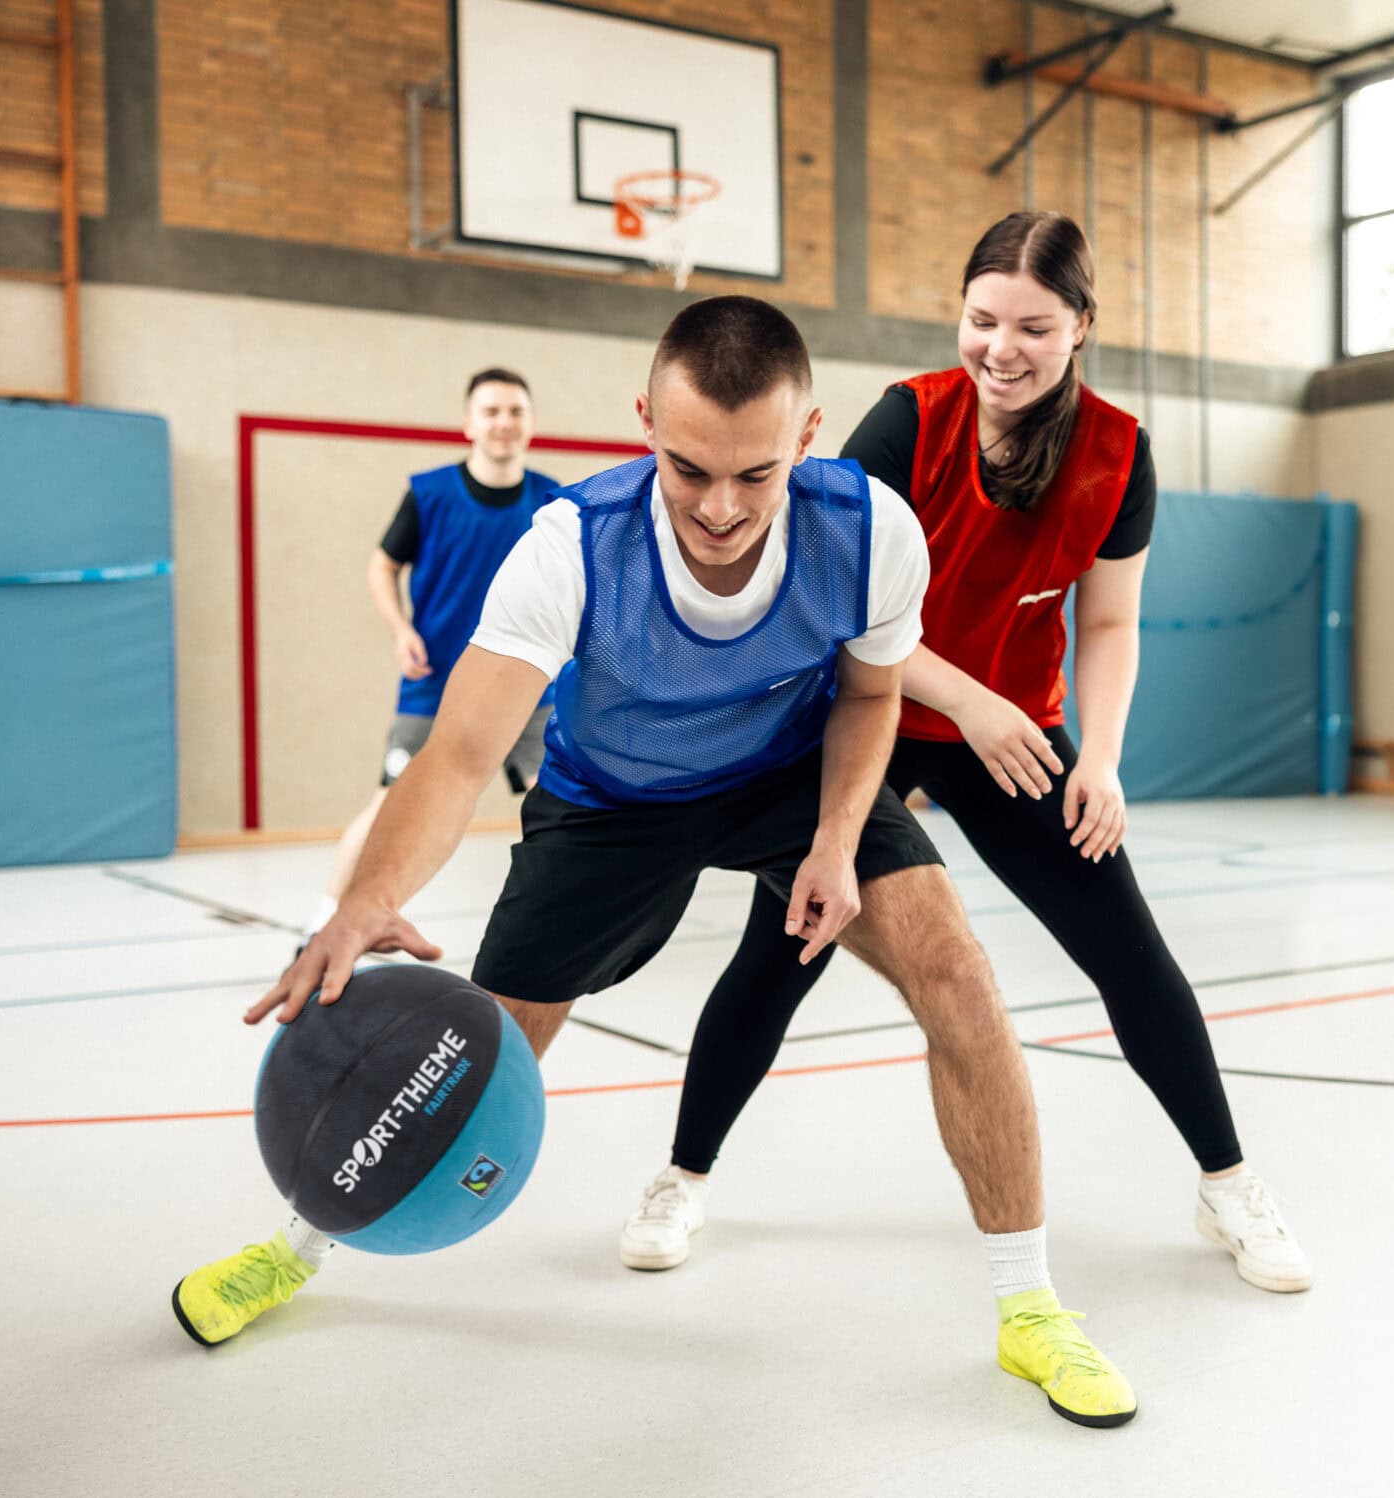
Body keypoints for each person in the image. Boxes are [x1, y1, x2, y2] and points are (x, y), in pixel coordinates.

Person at [171, 296, 1138, 1428]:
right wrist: (362, 900)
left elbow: (873, 692)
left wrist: (833, 841)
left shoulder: (870, 529)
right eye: (688, 470)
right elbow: (458, 755)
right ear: (642, 422)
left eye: (756, 475)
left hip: (788, 774)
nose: (721, 508)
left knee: (959, 975)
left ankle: (1029, 1309)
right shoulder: (570, 546)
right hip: (614, 801)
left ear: (809, 434)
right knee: (478, 1041)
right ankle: (296, 1246)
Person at [619, 213, 1311, 1295]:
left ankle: (1227, 1181)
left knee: (1130, 953)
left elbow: (1114, 623)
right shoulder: (905, 423)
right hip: (871, 718)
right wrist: (977, 704)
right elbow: (835, 606)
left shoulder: (1119, 453)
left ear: (1080, 326)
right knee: (781, 951)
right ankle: (682, 1174)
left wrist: (1102, 759)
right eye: (980, 319)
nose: (1000, 347)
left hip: (1017, 732)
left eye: (1032, 325)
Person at [313, 368, 563, 931]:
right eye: (492, 411)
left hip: (529, 685)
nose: (504, 423)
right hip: (436, 684)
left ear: (530, 424)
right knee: (388, 805)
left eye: (515, 412)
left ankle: (557, 925)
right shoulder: (429, 495)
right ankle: (324, 924)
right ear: (469, 424)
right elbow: (383, 565)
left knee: (555, 810)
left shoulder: (552, 500)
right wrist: (401, 628)